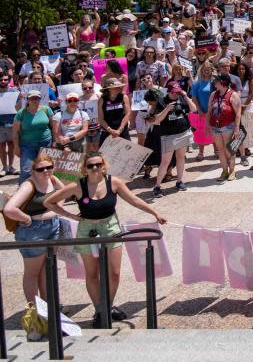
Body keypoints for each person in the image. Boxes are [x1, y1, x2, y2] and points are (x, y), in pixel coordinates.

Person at [44, 153, 167, 325]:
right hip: (87, 229)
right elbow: (49, 202)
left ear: (104, 165)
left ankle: (106, 307)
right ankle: (100, 311)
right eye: (90, 165)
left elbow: (133, 200)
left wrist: (155, 213)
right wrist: (69, 215)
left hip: (110, 227)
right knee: (92, 273)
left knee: (114, 273)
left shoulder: (113, 182)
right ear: (84, 168)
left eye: (98, 164)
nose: (94, 168)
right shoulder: (77, 185)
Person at [3, 153, 63, 310]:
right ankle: (35, 312)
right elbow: (9, 209)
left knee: (46, 269)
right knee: (32, 273)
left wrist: (56, 209)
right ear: (33, 170)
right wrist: (26, 219)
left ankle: (49, 309)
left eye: (49, 167)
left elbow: (65, 192)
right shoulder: (29, 185)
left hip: (52, 227)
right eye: (41, 168)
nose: (46, 171)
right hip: (33, 231)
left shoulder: (52, 178)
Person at [148, 84, 196, 197]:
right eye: (173, 92)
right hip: (168, 136)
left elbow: (194, 109)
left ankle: (179, 181)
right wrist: (167, 109)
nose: (175, 94)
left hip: (183, 132)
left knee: (180, 157)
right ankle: (157, 186)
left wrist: (185, 96)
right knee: (165, 162)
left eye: (177, 92)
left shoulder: (182, 98)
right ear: (168, 91)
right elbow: (156, 120)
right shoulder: (162, 101)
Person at [12, 90, 54, 183]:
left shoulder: (46, 109)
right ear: (28, 100)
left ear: (40, 99)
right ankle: (25, 194)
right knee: (26, 171)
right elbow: (15, 132)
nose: (35, 100)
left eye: (37, 98)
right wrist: (16, 147)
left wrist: (54, 142)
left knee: (45, 169)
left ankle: (44, 191)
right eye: (32, 98)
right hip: (27, 145)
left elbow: (53, 126)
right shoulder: (21, 113)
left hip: (45, 143)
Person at [208, 74, 241, 181]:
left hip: (228, 126)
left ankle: (232, 171)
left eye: (216, 81)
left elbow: (238, 113)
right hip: (215, 126)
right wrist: (207, 126)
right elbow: (209, 111)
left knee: (228, 150)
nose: (214, 83)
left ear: (222, 82)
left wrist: (236, 128)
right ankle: (224, 171)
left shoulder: (233, 94)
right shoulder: (213, 94)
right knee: (220, 150)